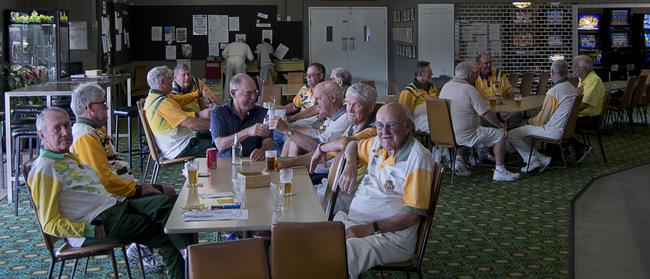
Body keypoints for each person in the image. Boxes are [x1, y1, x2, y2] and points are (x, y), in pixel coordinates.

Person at [28, 107, 191, 279]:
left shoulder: (66, 156)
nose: (65, 132)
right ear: (42, 135)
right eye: (57, 128)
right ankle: (191, 258)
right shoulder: (45, 169)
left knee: (168, 203)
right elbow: (49, 223)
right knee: (166, 234)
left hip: (113, 207)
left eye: (67, 125)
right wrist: (90, 230)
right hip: (97, 223)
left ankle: (192, 257)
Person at [333, 102, 434, 278]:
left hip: (390, 238)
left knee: (338, 256)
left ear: (408, 127)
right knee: (319, 240)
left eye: (391, 125)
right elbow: (351, 145)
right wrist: (350, 163)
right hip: (359, 224)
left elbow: (412, 215)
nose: (384, 132)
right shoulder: (378, 144)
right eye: (379, 125)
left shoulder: (417, 159)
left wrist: (368, 229)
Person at [71, 83, 176, 198]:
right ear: (90, 107)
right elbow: (103, 179)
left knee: (169, 190)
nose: (107, 107)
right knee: (168, 198)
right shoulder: (85, 136)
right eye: (103, 103)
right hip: (115, 197)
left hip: (124, 188)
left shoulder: (94, 130)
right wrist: (137, 189)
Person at [439, 61, 520, 181]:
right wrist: (500, 125)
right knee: (500, 135)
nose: (477, 75)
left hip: (447, 134)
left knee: (466, 125)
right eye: (476, 72)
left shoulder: (446, 86)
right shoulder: (469, 89)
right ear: (469, 75)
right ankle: (500, 171)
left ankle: (459, 162)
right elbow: (485, 113)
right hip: (465, 135)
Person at [508, 60, 578, 172]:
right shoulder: (572, 88)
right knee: (526, 129)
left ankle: (539, 160)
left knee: (512, 134)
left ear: (553, 73)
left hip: (554, 131)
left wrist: (528, 122)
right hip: (566, 130)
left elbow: (542, 119)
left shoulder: (554, 91)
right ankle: (535, 160)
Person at [144, 66, 212, 159]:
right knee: (218, 146)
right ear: (162, 82)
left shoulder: (153, 96)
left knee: (213, 135)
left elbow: (179, 99)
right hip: (180, 147)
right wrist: (214, 125)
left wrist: (198, 94)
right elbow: (190, 123)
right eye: (170, 79)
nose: (172, 82)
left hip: (179, 141)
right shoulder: (163, 103)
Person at [269, 81, 350, 157]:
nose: (315, 103)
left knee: (294, 135)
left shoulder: (343, 119)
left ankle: (284, 165)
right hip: (316, 149)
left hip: (320, 165)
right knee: (293, 136)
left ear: (333, 98)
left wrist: (287, 129)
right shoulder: (334, 114)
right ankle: (282, 165)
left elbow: (318, 146)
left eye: (318, 98)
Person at [211, 73, 273, 161]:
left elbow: (268, 139)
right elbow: (221, 145)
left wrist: (263, 150)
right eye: (248, 93)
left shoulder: (263, 112)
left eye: (255, 92)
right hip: (226, 165)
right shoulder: (219, 113)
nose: (253, 97)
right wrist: (248, 131)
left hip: (253, 163)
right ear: (233, 93)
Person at [570, 55, 606, 163]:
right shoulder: (584, 79)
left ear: (582, 69)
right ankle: (560, 152)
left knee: (561, 124)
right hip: (583, 116)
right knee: (559, 122)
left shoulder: (594, 81)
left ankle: (580, 148)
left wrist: (567, 112)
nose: (574, 68)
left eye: (575, 66)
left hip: (590, 119)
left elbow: (584, 104)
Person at [399, 61, 439, 132]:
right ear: (421, 74)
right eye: (429, 72)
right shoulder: (408, 92)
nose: (432, 74)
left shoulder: (433, 88)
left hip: (434, 117)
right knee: (438, 126)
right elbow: (403, 115)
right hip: (418, 123)